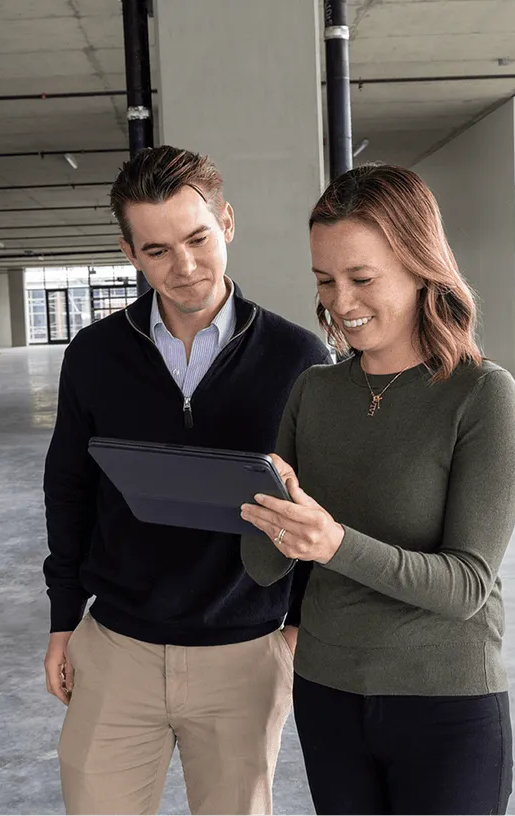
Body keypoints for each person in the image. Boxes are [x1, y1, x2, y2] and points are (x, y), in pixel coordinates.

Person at [42, 145, 331, 816]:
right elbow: (70, 490)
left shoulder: (298, 358)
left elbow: (325, 500)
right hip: (116, 648)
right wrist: (63, 621)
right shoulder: (93, 356)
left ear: (226, 223)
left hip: (245, 652)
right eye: (158, 251)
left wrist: (296, 634)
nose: (186, 266)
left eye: (198, 238)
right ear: (129, 252)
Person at [240, 164, 515, 816]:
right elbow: (261, 568)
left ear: (421, 265)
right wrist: (258, 508)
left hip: (447, 705)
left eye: (362, 278)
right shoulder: (314, 391)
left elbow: (464, 586)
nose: (340, 302)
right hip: (327, 693)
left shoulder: (482, 397)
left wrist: (332, 542)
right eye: (325, 280)